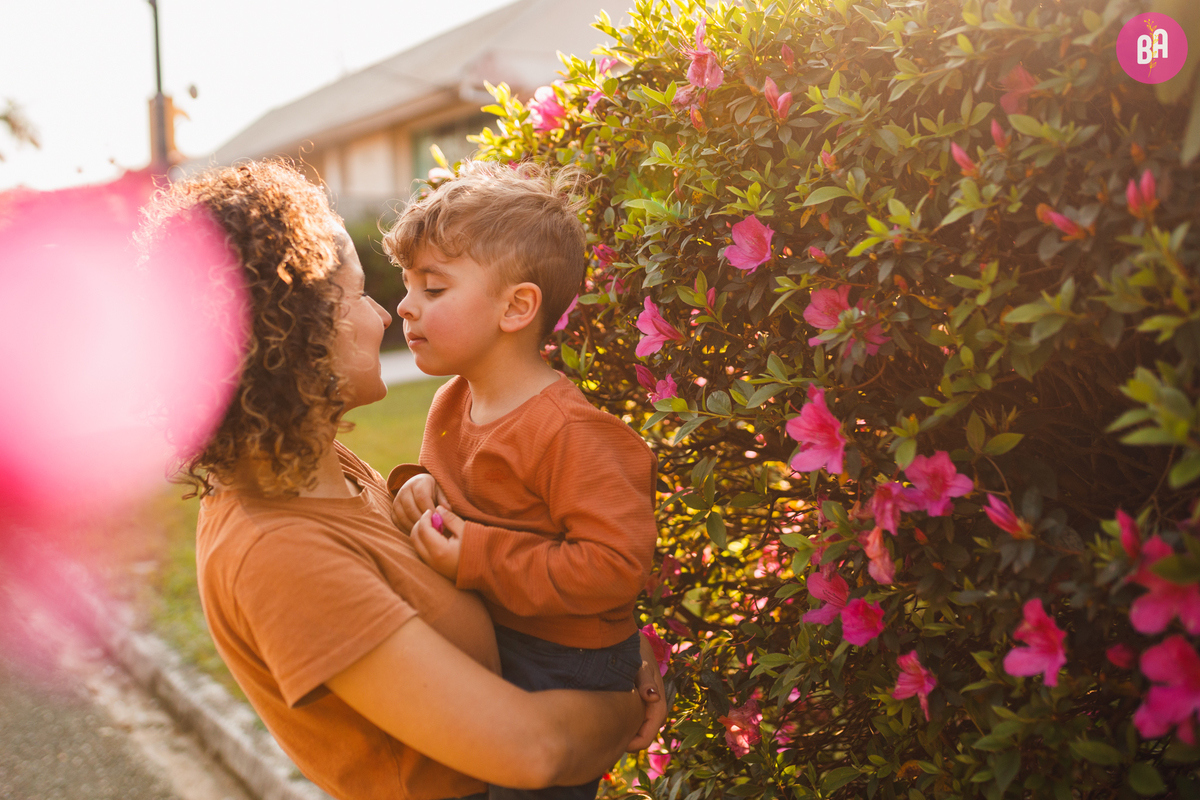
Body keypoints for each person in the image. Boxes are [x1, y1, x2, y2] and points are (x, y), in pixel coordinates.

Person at [137, 160, 666, 800]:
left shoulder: (319, 465)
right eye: (358, 294)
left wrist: (609, 646)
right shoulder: (279, 552)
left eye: (429, 289)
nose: (387, 315)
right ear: (294, 326)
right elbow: (536, 751)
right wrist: (626, 703)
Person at [382, 161, 659, 800]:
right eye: (407, 285)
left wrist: (476, 556)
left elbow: (615, 566)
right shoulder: (452, 401)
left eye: (433, 288)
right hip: (495, 640)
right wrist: (416, 489)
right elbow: (458, 494)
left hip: (564, 666)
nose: (405, 305)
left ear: (516, 307)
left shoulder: (571, 433)